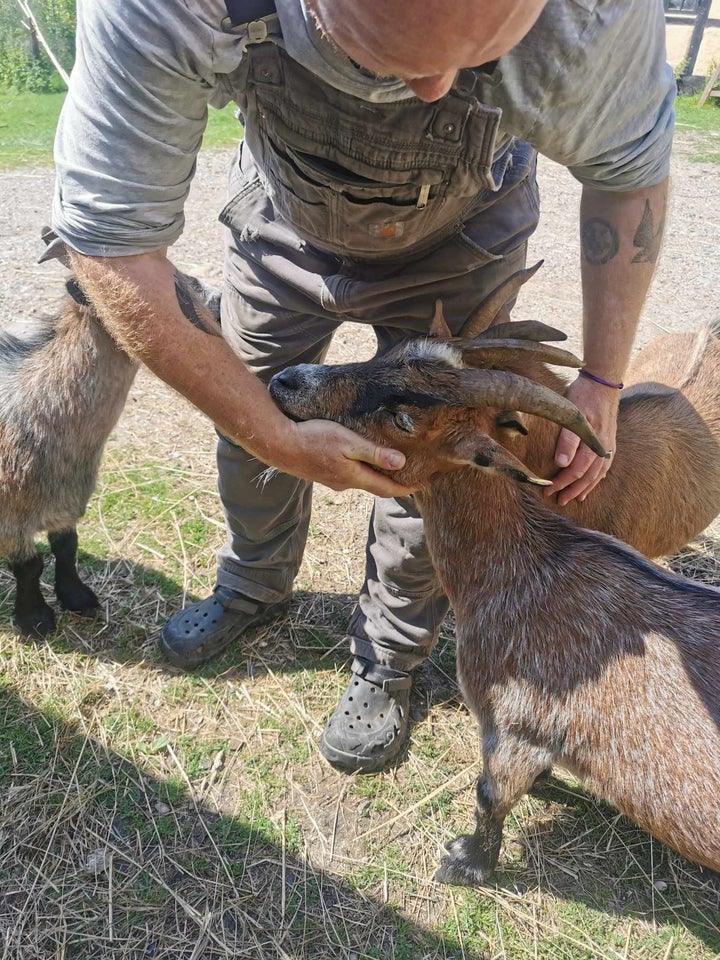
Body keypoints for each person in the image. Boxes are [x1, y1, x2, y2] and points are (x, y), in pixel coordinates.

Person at [52, 0, 674, 772]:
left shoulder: (602, 15)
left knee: (436, 462)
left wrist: (605, 379)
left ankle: (388, 657)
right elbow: (111, 242)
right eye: (395, 58)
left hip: (464, 236)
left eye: (479, 57)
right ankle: (254, 583)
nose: (435, 90)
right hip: (283, 214)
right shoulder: (168, 8)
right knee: (250, 406)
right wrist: (269, 433)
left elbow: (631, 174)